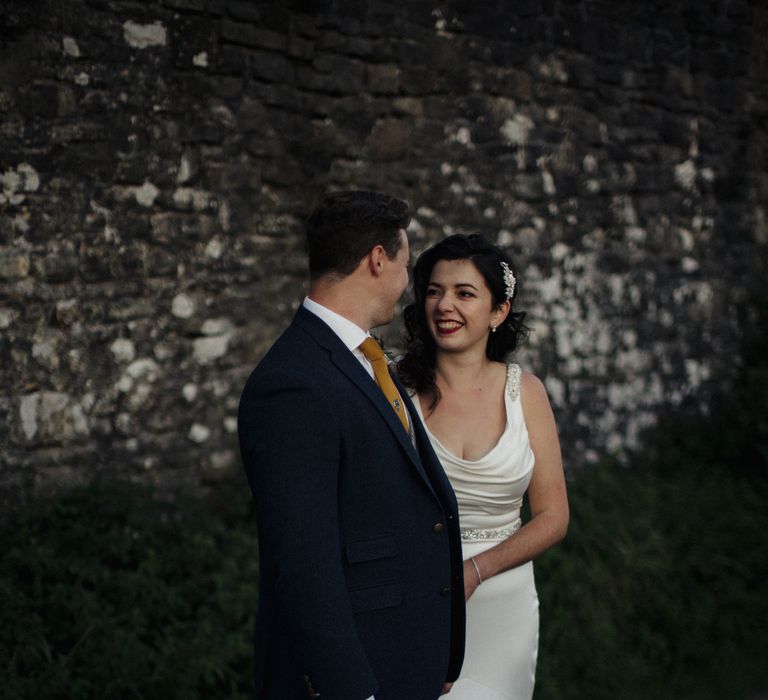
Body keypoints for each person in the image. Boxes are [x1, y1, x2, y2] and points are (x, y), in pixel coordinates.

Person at [238, 191, 465, 700]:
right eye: (406, 265)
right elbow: (303, 560)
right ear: (378, 260)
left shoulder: (366, 357)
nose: (408, 284)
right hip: (355, 676)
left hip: (403, 658)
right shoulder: (292, 383)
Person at [397, 233, 569, 700]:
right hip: (418, 594)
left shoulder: (526, 393)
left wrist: (475, 570)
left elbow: (554, 517)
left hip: (504, 599)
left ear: (499, 312)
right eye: (434, 291)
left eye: (464, 293)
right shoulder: (395, 391)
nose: (444, 305)